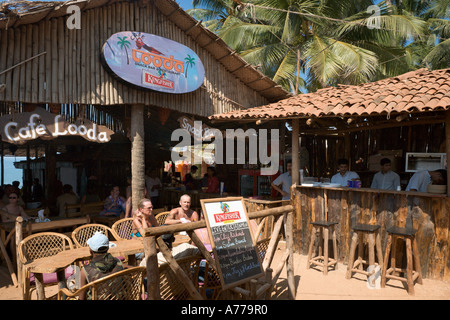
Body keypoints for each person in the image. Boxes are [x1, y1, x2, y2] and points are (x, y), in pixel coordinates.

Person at [79, 232, 128, 300]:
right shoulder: (118, 263)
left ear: (90, 250)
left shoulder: (85, 271)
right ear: (108, 248)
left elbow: (81, 298)